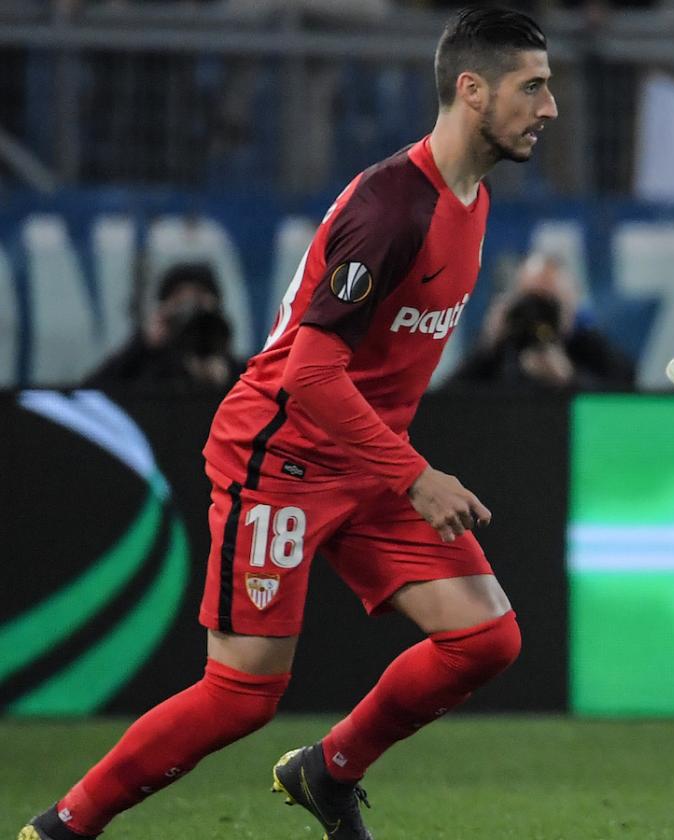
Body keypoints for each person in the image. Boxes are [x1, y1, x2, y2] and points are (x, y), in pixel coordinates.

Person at [20, 8, 557, 840]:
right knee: (243, 695)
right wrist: (415, 474)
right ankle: (62, 827)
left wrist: (395, 469)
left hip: (366, 459)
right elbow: (308, 372)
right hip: (282, 455)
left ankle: (328, 771)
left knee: (486, 639)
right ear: (471, 88)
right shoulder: (390, 209)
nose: (549, 107)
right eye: (534, 86)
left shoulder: (473, 199)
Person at [457, 253, 635, 390]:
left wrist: (570, 379)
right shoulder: (502, 347)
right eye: (531, 300)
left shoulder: (588, 344)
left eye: (549, 301)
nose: (539, 313)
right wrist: (488, 345)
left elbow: (626, 403)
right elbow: (445, 403)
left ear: (571, 301)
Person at [84, 263, 227, 389]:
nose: (189, 305)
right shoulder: (142, 363)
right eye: (178, 296)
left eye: (199, 294)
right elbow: (89, 393)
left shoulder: (234, 370)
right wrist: (142, 344)